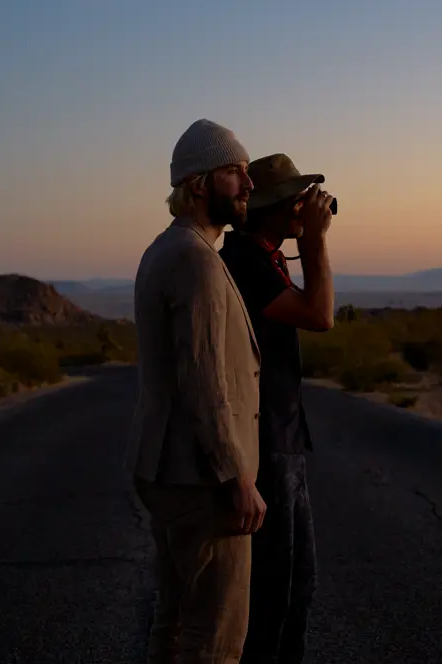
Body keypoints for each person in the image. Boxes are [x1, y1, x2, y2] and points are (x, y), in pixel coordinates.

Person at [125, 118, 267, 663]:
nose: (249, 185)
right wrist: (236, 477)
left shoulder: (164, 249)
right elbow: (205, 382)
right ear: (200, 184)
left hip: (167, 469)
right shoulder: (194, 261)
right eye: (236, 172)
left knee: (175, 623)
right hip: (200, 478)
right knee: (216, 638)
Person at [218, 153, 335, 663]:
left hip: (282, 438)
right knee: (274, 594)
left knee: (296, 586)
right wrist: (314, 241)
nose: (305, 207)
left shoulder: (262, 257)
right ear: (272, 209)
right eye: (296, 199)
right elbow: (319, 315)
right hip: (266, 447)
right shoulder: (246, 262)